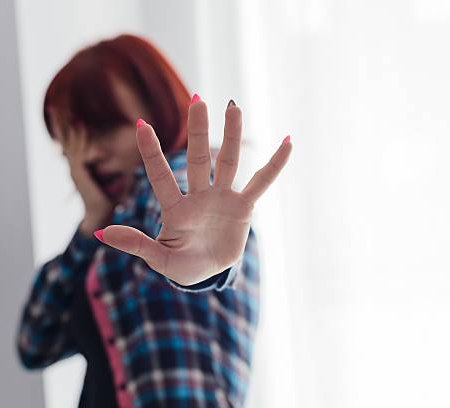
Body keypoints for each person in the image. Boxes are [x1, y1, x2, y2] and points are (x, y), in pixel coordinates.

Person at [16, 34, 292, 408]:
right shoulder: (108, 235)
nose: (92, 154)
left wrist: (203, 266)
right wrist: (91, 222)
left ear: (158, 107)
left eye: (106, 129)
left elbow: (203, 247)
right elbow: (34, 345)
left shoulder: (184, 194)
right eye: (75, 140)